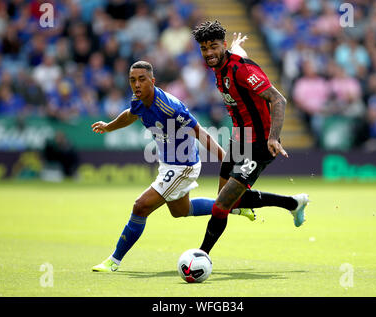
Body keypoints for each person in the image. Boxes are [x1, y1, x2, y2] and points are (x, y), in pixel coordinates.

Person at [90, 61, 254, 272]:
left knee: (140, 206)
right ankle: (233, 206)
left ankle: (114, 260)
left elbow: (200, 132)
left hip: (183, 165)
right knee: (180, 211)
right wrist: (109, 127)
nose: (137, 85)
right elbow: (131, 114)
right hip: (168, 163)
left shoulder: (170, 106)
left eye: (142, 79)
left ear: (152, 81)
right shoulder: (138, 99)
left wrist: (226, 160)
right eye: (132, 80)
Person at [191, 21, 309, 255]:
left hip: (260, 144)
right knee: (227, 200)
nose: (209, 53)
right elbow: (236, 52)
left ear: (223, 45)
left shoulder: (241, 69)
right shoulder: (220, 63)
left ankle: (200, 256)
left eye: (214, 47)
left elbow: (279, 100)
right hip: (240, 138)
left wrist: (274, 138)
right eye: (204, 48)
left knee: (222, 205)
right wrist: (235, 47)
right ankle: (293, 203)